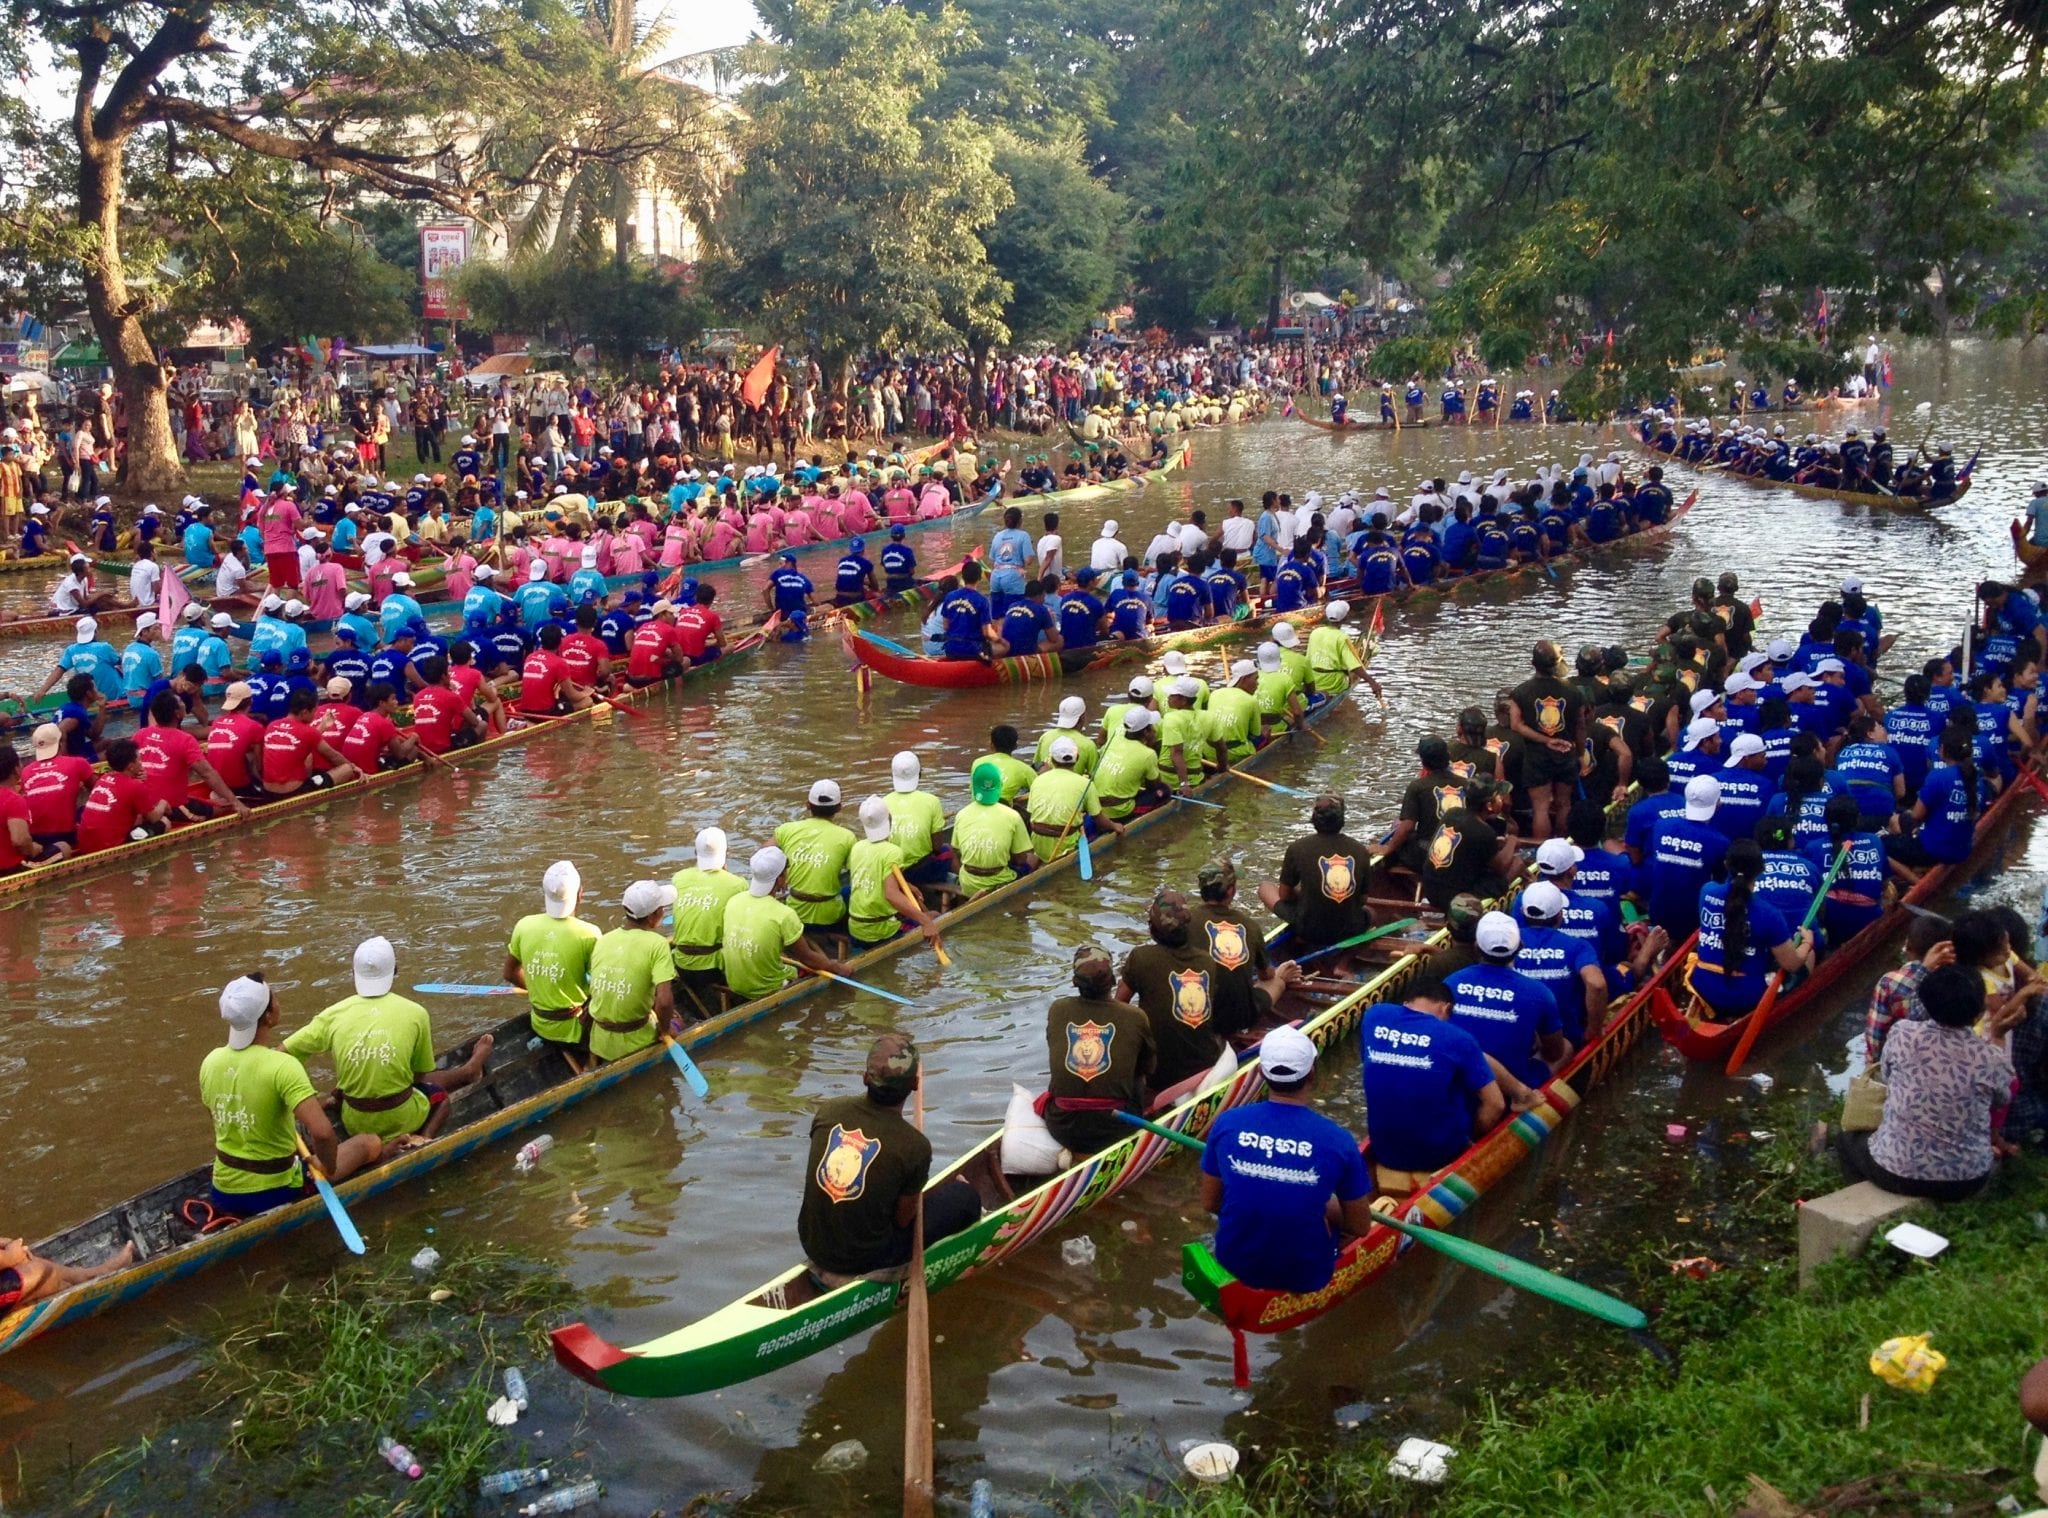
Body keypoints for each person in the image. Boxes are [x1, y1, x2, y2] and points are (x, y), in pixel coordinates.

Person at [1197, 1024, 1373, 1292]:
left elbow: (1210, 1202)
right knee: (1329, 1205)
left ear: (1260, 1072)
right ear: (1312, 1072)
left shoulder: (1226, 1124)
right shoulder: (1338, 1140)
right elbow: (1361, 1227)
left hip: (1231, 1263)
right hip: (1307, 1277)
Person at [797, 1032, 983, 1281]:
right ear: (915, 1086)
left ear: (864, 1078)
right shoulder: (915, 1146)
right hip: (867, 1258)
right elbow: (903, 1219)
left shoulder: (829, 1110)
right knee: (965, 1197)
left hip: (813, 1243)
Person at [201, 974, 383, 1219]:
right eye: (273, 997)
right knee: (369, 1142)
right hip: (275, 1192)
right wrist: (327, 1167)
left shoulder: (210, 1062)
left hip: (223, 1191)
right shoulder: (282, 1065)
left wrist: (319, 1105)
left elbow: (226, 1115)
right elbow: (323, 1133)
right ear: (267, 1016)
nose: (278, 1001)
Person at [284, 936, 492, 1144]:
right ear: (395, 970)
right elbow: (419, 1076)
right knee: (438, 1096)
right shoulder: (415, 1013)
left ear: (353, 973)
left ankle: (468, 1071)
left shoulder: (332, 1015)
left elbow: (282, 1053)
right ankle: (424, 1138)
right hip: (402, 1118)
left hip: (355, 1123)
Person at [1840, 965, 2012, 1200]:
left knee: (1846, 1140)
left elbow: (1889, 1077)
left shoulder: (1902, 1033)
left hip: (1894, 1171)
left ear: (1928, 1002)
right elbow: (2001, 1099)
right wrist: (1999, 1038)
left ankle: (1862, 1196)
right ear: (1979, 1011)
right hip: (1966, 1180)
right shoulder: (1991, 1057)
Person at [1117, 888, 1281, 1093]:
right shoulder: (1207, 962)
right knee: (1223, 1042)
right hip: (1202, 1064)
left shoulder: (1140, 957)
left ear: (1152, 930)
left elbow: (1118, 1007)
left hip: (1155, 1074)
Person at [1356, 978, 1506, 1191]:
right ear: (1445, 1008)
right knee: (1465, 1088)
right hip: (1439, 1156)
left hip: (1384, 1151)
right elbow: (1496, 1105)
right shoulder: (1458, 1038)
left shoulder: (1374, 1015)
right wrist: (1472, 1140)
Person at [1043, 945, 1158, 1156]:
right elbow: (1148, 1068)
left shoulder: (1058, 1009)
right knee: (1139, 1077)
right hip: (1117, 1126)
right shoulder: (1134, 1015)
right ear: (1113, 981)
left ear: (1075, 982)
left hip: (1062, 1126)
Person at [1445, 912, 1569, 1095]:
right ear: (1520, 946)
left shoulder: (1451, 982)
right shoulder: (1539, 992)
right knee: (1567, 1047)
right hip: (1514, 1082)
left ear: (1477, 946)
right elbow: (1554, 1052)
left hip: (1461, 1080)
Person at [1691, 840, 1813, 1019]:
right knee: (1808, 956)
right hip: (1746, 997)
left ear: (1726, 865)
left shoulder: (1707, 891)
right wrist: (1808, 942)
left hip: (1703, 984)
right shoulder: (1770, 914)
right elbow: (1792, 964)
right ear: (1761, 870)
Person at [720, 846, 854, 1002]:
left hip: (735, 984)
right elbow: (808, 959)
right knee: (808, 969)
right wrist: (839, 967)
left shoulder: (734, 901)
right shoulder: (784, 914)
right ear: (780, 879)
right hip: (770, 987)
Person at [505, 860, 602, 1062]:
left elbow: (510, 973)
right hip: (576, 1030)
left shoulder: (524, 925)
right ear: (580, 893)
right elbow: (603, 987)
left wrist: (540, 990)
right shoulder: (590, 933)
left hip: (539, 1023)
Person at [1262, 793, 1373, 953]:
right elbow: (1362, 899)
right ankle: (1346, 959)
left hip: (1308, 929)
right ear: (1341, 820)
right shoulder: (1360, 850)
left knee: (1265, 887)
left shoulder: (1297, 848)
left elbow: (1285, 896)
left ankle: (1301, 941)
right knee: (1372, 913)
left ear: (1314, 820)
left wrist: (1304, 895)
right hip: (1350, 927)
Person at [586, 880, 681, 1064]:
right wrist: (665, 1030)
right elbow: (664, 1001)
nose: (663, 911)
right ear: (653, 916)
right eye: (661, 908)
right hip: (636, 1041)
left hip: (600, 1042)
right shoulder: (657, 944)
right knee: (678, 1020)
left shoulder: (604, 940)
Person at [1508, 640, 1586, 841]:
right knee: (1564, 804)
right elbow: (1580, 726)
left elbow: (1516, 725)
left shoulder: (1521, 692)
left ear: (1533, 664)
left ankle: (1541, 849)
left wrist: (1545, 740)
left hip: (1536, 755)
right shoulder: (1573, 692)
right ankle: (1563, 844)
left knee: (1540, 808)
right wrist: (1579, 754)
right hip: (1566, 752)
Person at [847, 795, 945, 952]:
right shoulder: (893, 852)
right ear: (889, 820)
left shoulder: (857, 847)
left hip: (856, 928)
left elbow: (874, 876)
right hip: (881, 930)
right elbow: (891, 895)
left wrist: (905, 885)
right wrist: (926, 922)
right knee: (935, 915)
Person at [668, 828, 747, 1021]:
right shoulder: (738, 884)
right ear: (726, 853)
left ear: (696, 853)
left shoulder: (679, 878)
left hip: (681, 964)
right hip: (712, 969)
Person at [775, 779, 858, 950]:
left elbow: (764, 856)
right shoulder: (847, 836)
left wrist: (782, 876)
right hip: (829, 915)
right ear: (839, 808)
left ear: (807, 805)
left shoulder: (786, 829)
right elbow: (857, 874)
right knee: (851, 891)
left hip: (795, 910)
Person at [953, 759, 1037, 895]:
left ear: (973, 786)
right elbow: (1020, 859)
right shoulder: (1013, 815)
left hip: (968, 883)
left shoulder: (961, 814)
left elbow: (957, 851)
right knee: (1033, 858)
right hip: (999, 880)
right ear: (999, 786)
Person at [885, 750, 952, 889]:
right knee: (947, 849)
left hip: (893, 873)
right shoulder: (932, 801)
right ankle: (961, 883)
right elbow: (937, 847)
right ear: (920, 774)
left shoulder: (882, 803)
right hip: (920, 871)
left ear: (892, 775)